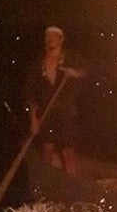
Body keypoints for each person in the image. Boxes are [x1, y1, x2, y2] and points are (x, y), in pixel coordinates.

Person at [25, 26, 86, 174]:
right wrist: (33, 119)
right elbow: (30, 93)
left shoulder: (71, 58)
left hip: (66, 111)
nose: (50, 39)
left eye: (54, 37)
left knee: (67, 150)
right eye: (47, 37)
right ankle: (47, 180)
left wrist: (75, 73)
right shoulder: (39, 63)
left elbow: (86, 71)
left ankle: (72, 183)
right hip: (46, 111)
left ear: (61, 40)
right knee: (47, 148)